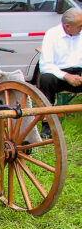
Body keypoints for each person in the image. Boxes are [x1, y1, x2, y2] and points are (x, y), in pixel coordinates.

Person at [37, 7, 82, 138]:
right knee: (46, 79)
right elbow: (45, 65)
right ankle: (48, 125)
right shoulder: (52, 35)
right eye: (79, 26)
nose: (81, 28)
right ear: (67, 26)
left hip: (79, 72)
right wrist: (66, 76)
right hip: (59, 74)